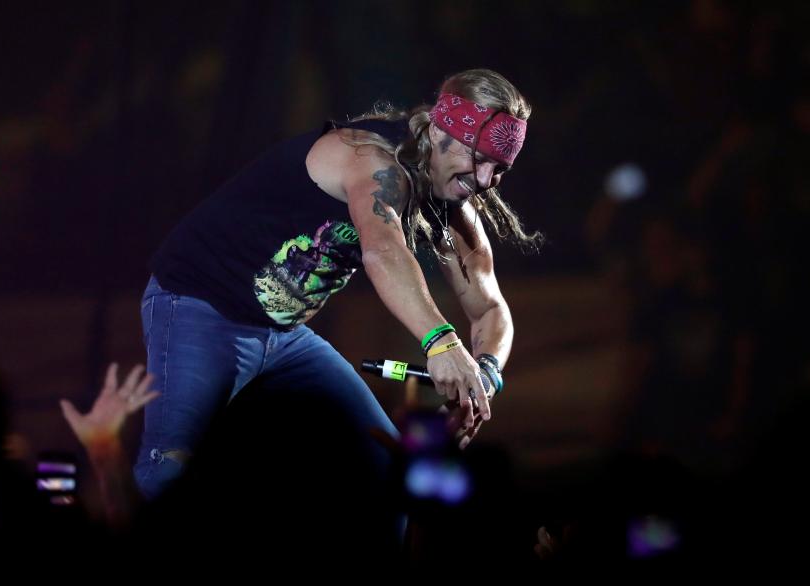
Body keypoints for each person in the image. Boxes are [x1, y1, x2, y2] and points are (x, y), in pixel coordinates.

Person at [133, 68, 541, 513]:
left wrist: (483, 377)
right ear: (444, 130)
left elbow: (490, 309)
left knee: (382, 469)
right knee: (168, 473)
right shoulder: (372, 159)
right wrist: (441, 343)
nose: (484, 179)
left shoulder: (455, 206)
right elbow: (382, 252)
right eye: (478, 157)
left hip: (283, 337)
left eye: (499, 168)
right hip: (201, 304)